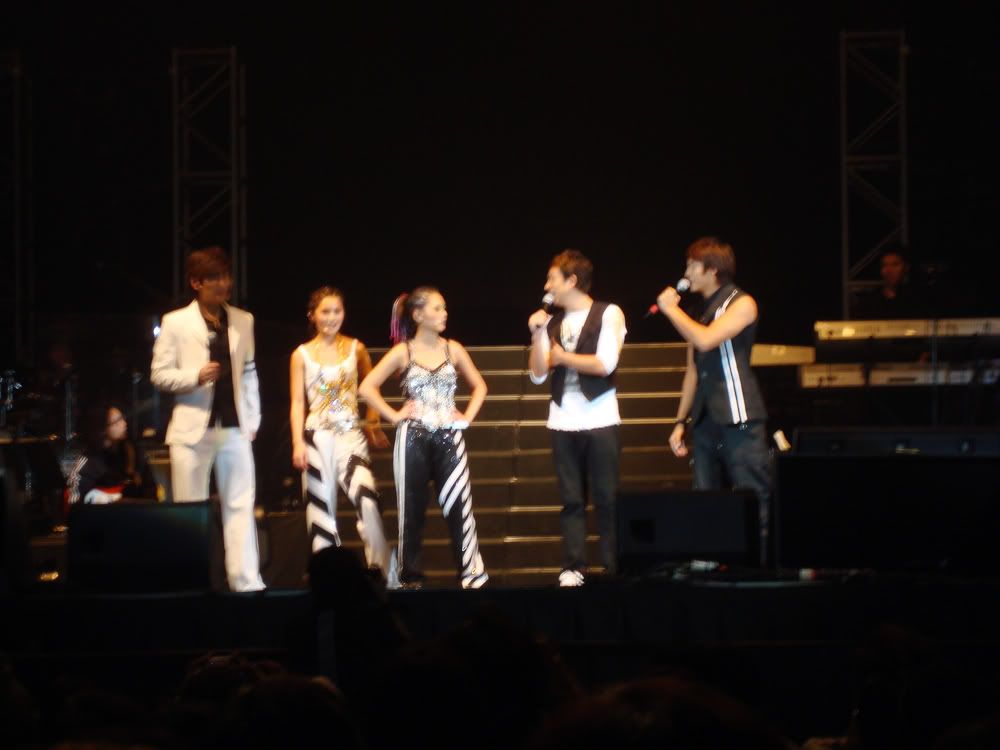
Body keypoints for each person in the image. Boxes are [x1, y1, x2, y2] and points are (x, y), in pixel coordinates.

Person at [358, 286, 489, 589]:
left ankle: (472, 574)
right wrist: (393, 415)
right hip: (412, 437)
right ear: (417, 315)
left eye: (444, 308)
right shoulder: (403, 351)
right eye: (437, 308)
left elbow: (480, 386)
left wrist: (466, 418)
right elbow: (366, 387)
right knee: (411, 510)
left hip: (449, 436)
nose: (444, 314)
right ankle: (410, 577)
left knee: (460, 507)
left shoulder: (453, 349)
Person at [150, 247, 265, 592]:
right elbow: (159, 374)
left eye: (226, 276)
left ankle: (246, 582)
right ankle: (192, 583)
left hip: (233, 427)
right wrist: (195, 376)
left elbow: (249, 372)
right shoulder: (175, 322)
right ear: (196, 283)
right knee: (190, 509)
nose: (223, 283)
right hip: (192, 428)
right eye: (214, 278)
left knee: (240, 504)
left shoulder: (243, 320)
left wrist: (253, 419)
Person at [656, 237, 772, 563]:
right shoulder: (699, 312)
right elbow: (692, 371)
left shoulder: (742, 303)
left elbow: (706, 340)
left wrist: (671, 309)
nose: (686, 273)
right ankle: (711, 565)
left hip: (738, 412)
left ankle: (763, 567)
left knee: (752, 492)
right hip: (706, 417)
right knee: (706, 496)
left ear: (712, 270)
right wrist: (680, 421)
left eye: (692, 266)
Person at [528, 249, 627, 587]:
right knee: (571, 500)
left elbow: (604, 364)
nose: (547, 286)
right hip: (562, 420)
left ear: (571, 280)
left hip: (601, 419)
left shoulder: (608, 313)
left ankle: (614, 565)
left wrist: (562, 358)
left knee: (607, 498)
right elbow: (538, 375)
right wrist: (537, 335)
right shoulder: (551, 322)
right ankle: (573, 566)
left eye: (552, 279)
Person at [289, 287, 391, 576]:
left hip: (350, 435)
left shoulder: (356, 348)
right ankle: (328, 578)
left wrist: (372, 421)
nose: (332, 317)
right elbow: (297, 402)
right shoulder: (301, 355)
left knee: (367, 499)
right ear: (312, 315)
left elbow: (371, 388)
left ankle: (383, 573)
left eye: (337, 311)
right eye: (325, 311)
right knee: (321, 512)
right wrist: (297, 442)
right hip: (316, 436)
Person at [66, 404, 156, 505]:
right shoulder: (88, 461)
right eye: (117, 421)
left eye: (123, 419)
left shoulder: (134, 453)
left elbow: (151, 490)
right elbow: (74, 498)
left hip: (134, 512)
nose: (124, 424)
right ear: (103, 428)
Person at [853, 248, 923, 319]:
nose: (889, 270)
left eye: (895, 265)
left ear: (906, 267)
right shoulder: (870, 302)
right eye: (884, 265)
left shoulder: (916, 300)